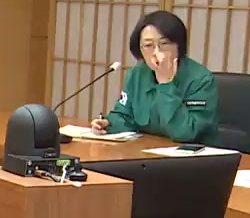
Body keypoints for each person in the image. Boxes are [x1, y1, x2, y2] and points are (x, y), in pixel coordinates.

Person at [90, 10, 220, 145]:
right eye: (148, 46)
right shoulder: (136, 74)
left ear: (178, 45)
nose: (156, 52)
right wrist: (108, 124)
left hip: (192, 154)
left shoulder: (201, 79)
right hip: (146, 150)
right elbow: (125, 116)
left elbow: (187, 133)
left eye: (164, 44)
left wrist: (166, 83)